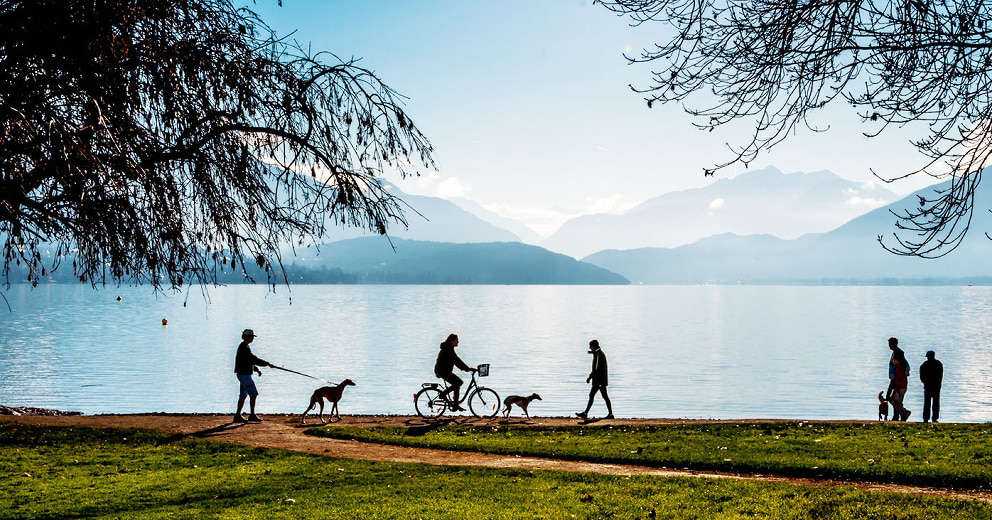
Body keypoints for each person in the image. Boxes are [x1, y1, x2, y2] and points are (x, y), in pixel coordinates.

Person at [234, 328, 271, 423]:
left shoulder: (244, 346)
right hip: (244, 376)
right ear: (247, 337)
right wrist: (266, 363)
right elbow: (253, 359)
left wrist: (256, 369)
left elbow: (248, 360)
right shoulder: (244, 347)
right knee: (253, 394)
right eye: (251, 337)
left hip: (243, 375)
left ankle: (237, 416)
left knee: (243, 395)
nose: (252, 338)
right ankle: (252, 415)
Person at [434, 333, 475, 411]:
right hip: (442, 371)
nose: (458, 342)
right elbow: (457, 360)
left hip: (444, 370)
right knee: (458, 382)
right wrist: (468, 369)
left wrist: (467, 369)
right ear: (452, 341)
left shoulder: (449, 348)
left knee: (458, 383)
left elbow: (456, 361)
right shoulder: (448, 349)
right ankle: (444, 395)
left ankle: (455, 404)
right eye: (457, 340)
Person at [576, 339, 613, 420]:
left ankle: (610, 414)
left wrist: (589, 377)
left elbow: (596, 369)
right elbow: (596, 354)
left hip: (599, 380)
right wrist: (592, 353)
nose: (590, 348)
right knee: (593, 395)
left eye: (590, 346)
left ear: (594, 346)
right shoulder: (598, 353)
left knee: (604, 396)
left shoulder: (599, 355)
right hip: (599, 380)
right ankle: (585, 413)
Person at [886, 337, 911, 421]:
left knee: (892, 398)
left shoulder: (898, 353)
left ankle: (903, 412)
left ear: (893, 344)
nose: (889, 346)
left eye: (890, 344)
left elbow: (902, 367)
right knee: (895, 399)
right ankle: (899, 415)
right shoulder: (896, 352)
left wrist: (894, 379)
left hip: (898, 381)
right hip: (897, 380)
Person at [920, 350, 944, 423]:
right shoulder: (938, 364)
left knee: (927, 403)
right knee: (935, 403)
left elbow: (921, 376)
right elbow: (940, 376)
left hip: (928, 386)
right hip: (935, 386)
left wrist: (925, 383)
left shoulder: (924, 365)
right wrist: (939, 384)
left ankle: (926, 418)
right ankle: (934, 418)